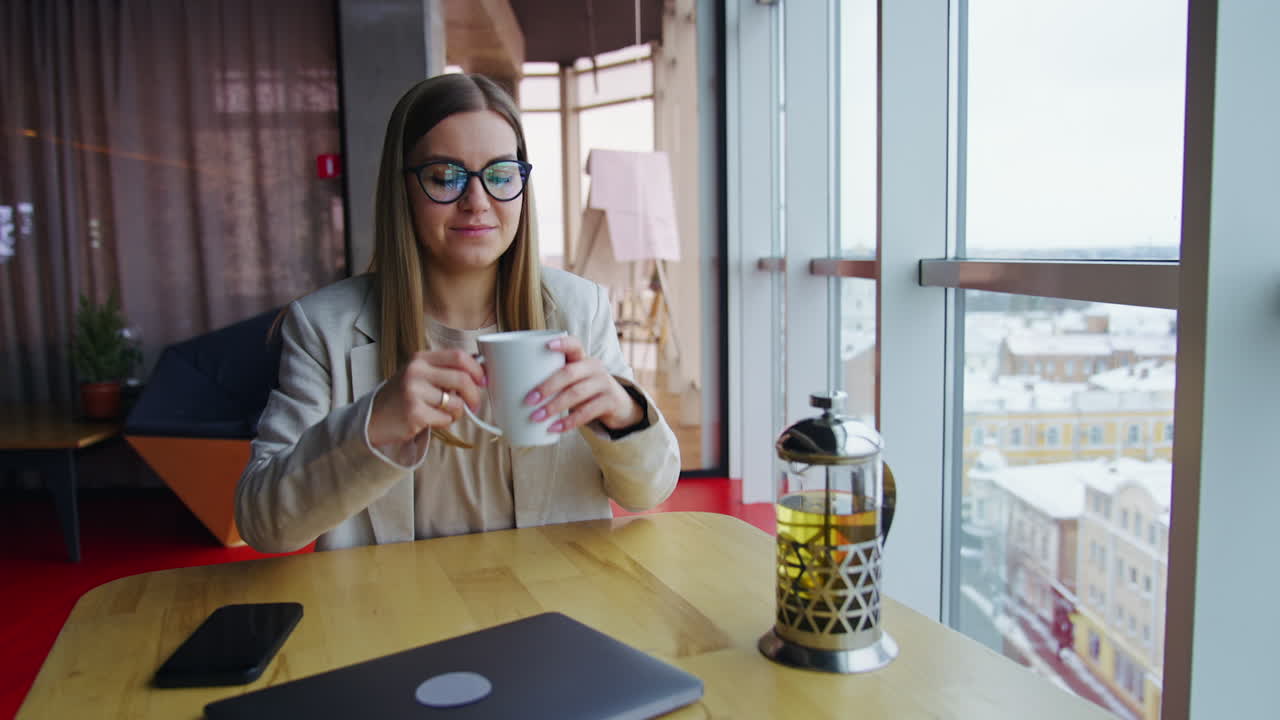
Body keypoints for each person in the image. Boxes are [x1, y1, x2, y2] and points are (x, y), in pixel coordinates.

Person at [235, 74, 680, 553]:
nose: (478, 202)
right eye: (445, 177)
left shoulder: (577, 308)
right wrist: (372, 423)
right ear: (402, 188)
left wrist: (622, 412)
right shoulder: (323, 327)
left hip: (551, 603)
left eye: (501, 174)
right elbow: (263, 525)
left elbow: (648, 491)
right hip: (391, 617)